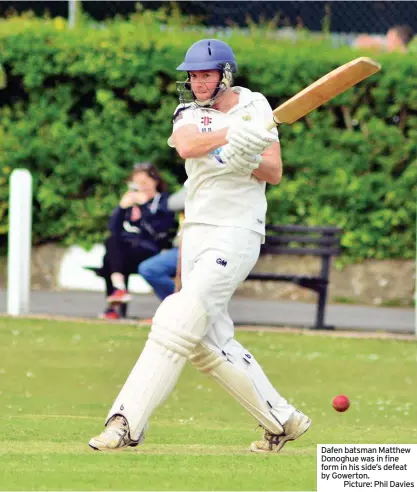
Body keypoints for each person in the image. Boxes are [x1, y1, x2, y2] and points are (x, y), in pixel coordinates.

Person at [89, 39, 310, 453]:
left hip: (238, 230)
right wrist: (233, 134)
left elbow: (274, 170)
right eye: (192, 75)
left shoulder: (256, 106)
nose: (197, 81)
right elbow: (188, 145)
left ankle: (125, 421)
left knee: (179, 315)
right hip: (198, 232)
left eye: (205, 74)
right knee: (208, 343)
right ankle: (283, 420)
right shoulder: (187, 111)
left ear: (224, 74)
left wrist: (249, 160)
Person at [99, 162, 177, 320]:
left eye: (145, 183)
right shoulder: (130, 202)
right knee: (112, 249)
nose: (140, 188)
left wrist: (144, 208)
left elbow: (158, 231)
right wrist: (121, 208)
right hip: (128, 249)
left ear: (155, 181)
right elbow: (113, 229)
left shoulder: (163, 201)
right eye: (137, 184)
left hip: (152, 248)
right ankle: (119, 291)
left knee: (111, 256)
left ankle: (115, 304)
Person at [137, 188, 186, 303]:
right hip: (181, 247)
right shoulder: (196, 180)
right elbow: (172, 203)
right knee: (149, 269)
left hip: (207, 247)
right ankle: (177, 304)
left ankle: (184, 304)